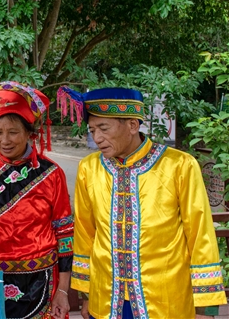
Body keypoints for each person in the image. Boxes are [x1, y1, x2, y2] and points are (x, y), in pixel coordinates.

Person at [58, 86, 227, 318]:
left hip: (165, 302)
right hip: (107, 300)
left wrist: (205, 305)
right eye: (92, 129)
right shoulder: (89, 168)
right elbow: (86, 235)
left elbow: (200, 235)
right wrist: (87, 293)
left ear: (132, 125)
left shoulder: (180, 165)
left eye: (104, 128)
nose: (97, 138)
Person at [0, 81, 74, 319]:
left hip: (41, 278)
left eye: (13, 132)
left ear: (29, 133)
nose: (5, 140)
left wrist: (64, 291)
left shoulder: (50, 173)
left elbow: (65, 233)